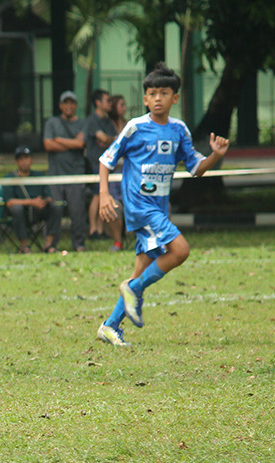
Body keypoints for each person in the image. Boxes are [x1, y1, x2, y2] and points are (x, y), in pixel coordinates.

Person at [96, 63, 229, 348]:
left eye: (164, 93)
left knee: (142, 268)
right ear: (145, 98)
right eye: (153, 93)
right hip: (139, 206)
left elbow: (196, 168)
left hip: (158, 208)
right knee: (180, 250)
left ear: (175, 98)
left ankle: (110, 326)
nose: (158, 98)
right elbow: (106, 160)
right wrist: (105, 195)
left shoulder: (179, 130)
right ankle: (133, 288)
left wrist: (215, 156)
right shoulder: (135, 127)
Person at [43, 90, 87, 253]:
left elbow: (81, 144)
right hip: (55, 175)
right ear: (60, 106)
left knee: (77, 211)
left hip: (76, 174)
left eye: (72, 103)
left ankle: (79, 244)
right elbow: (48, 145)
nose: (69, 106)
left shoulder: (83, 123)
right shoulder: (52, 123)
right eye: (65, 103)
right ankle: (51, 244)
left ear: (76, 106)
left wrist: (59, 140)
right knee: (55, 209)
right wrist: (72, 143)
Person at [0, 147, 58, 254]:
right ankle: (24, 245)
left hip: (38, 211)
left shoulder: (40, 176)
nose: (24, 162)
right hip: (20, 214)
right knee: (17, 209)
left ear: (32, 160)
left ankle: (49, 245)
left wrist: (43, 201)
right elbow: (9, 202)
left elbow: (49, 196)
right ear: (16, 162)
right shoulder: (10, 177)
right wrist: (31, 202)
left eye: (27, 158)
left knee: (56, 207)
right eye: (21, 159)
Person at [83, 89, 122, 249]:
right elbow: (105, 138)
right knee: (97, 195)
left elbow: (116, 140)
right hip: (95, 164)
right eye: (107, 100)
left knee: (104, 195)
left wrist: (108, 140)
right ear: (98, 103)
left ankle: (100, 229)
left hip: (109, 164)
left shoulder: (107, 122)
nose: (110, 104)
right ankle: (93, 229)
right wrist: (109, 139)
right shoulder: (92, 120)